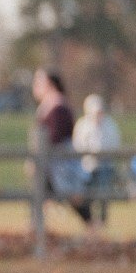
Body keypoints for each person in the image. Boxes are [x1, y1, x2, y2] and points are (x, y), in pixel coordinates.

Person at [31, 69, 91, 225]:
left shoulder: (58, 107)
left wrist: (40, 153)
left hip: (60, 161)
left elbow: (55, 135)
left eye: (39, 83)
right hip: (51, 161)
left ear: (50, 84)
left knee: (71, 194)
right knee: (43, 193)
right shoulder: (49, 106)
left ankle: (92, 225)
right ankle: (37, 227)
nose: (35, 87)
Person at [73, 94, 121, 223]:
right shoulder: (82, 125)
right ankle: (90, 221)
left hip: (105, 166)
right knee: (87, 195)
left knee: (103, 194)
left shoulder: (110, 125)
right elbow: (77, 145)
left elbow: (115, 144)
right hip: (86, 167)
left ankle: (102, 220)